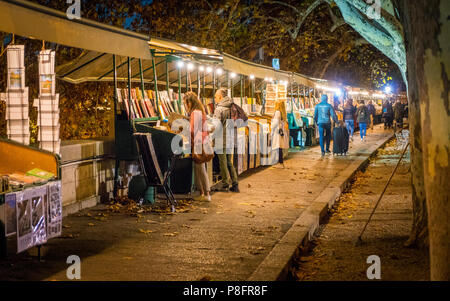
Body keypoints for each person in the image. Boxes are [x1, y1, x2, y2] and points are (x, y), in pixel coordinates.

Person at [183, 92, 212, 202]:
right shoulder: (201, 111)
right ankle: (202, 193)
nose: (185, 106)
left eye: (185, 103)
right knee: (198, 167)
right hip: (203, 141)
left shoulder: (195, 113)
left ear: (190, 103)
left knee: (200, 168)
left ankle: (206, 194)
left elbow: (192, 130)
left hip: (199, 142)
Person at [213, 88, 239, 192]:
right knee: (229, 162)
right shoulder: (232, 107)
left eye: (215, 96)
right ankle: (235, 183)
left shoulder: (219, 109)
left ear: (220, 97)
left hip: (221, 139)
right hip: (230, 138)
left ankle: (225, 184)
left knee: (222, 162)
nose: (214, 98)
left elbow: (216, 126)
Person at [272, 100, 289, 168]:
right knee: (279, 148)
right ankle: (281, 162)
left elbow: (275, 123)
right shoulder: (283, 113)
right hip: (281, 131)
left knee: (278, 147)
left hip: (277, 132)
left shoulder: (277, 112)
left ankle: (280, 162)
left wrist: (271, 124)